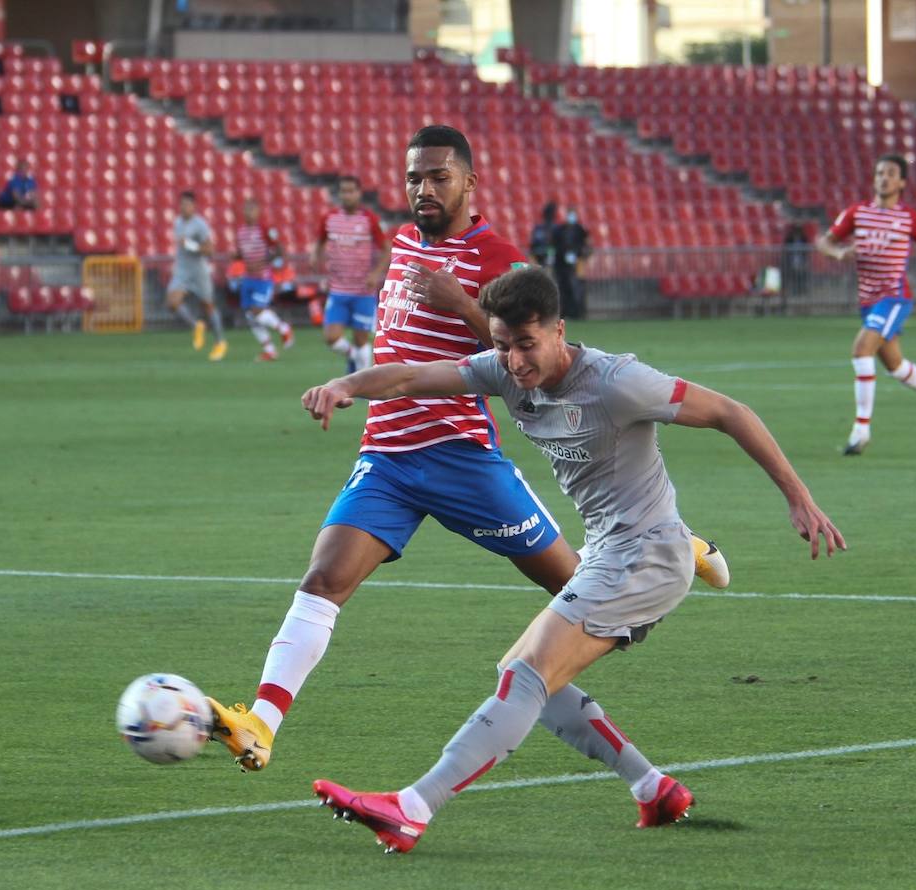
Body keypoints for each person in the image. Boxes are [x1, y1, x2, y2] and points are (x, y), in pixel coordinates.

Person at [205, 125, 728, 775]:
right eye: (414, 178)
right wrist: (348, 386)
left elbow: (540, 355)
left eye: (439, 177)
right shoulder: (399, 242)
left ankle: (673, 544)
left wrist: (463, 305)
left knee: (576, 586)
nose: (424, 189)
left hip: (461, 455)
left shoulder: (495, 257)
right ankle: (262, 722)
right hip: (388, 456)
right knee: (323, 580)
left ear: (469, 183)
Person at [304, 266, 846, 853]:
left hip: (647, 556)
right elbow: (412, 376)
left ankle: (411, 808)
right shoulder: (504, 370)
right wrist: (348, 386)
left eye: (526, 345)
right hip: (609, 551)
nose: (513, 361)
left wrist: (799, 499)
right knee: (526, 673)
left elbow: (730, 413)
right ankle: (652, 786)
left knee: (526, 675)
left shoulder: (617, 382)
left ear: (559, 331)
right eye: (503, 345)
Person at [816, 154, 916, 456]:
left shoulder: (910, 218)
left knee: (861, 350)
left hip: (895, 296)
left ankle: (861, 430)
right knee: (894, 365)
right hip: (868, 299)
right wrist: (838, 254)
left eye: (890, 173)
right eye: (879, 173)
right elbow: (824, 241)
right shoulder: (857, 213)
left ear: (901, 182)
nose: (883, 178)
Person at [315, 175, 390, 372]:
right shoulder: (329, 218)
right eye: (343, 191)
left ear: (359, 194)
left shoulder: (369, 220)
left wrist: (375, 273)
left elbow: (386, 249)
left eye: (351, 191)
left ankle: (363, 385)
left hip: (362, 292)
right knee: (331, 338)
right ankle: (352, 356)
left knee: (361, 340)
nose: (347, 195)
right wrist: (316, 257)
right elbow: (320, 241)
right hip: (338, 290)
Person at [166, 190, 228, 361]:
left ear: (194, 206)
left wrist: (192, 245)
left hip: (198, 270)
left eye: (187, 204)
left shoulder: (200, 225)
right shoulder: (177, 222)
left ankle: (220, 342)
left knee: (208, 306)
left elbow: (210, 251)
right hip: (182, 270)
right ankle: (196, 325)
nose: (184, 208)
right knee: (172, 302)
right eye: (182, 204)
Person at [235, 198, 294, 361]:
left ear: (258, 212)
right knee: (250, 316)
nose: (249, 213)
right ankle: (269, 350)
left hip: (263, 278)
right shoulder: (241, 232)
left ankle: (283, 328)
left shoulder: (265, 229)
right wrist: (236, 256)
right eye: (246, 210)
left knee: (257, 311)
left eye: (252, 210)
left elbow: (279, 249)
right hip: (248, 278)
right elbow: (242, 253)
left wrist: (264, 262)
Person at [553, 207, 591, 319]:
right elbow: (554, 244)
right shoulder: (560, 229)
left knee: (576, 288)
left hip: (576, 264)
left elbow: (587, 245)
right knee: (563, 288)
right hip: (561, 264)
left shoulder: (580, 229)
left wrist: (580, 256)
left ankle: (577, 312)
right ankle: (564, 312)